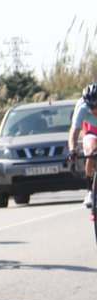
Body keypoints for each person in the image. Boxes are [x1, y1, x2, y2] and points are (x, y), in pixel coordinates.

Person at [66, 81, 97, 211]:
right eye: (92, 107)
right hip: (92, 129)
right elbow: (73, 133)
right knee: (92, 151)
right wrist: (72, 150)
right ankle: (90, 191)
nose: (95, 110)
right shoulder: (82, 107)